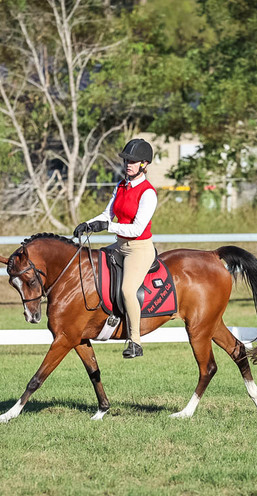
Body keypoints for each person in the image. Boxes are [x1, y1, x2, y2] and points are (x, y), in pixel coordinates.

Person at [73, 138, 157, 359]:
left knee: (128, 290)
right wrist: (90, 224)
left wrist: (107, 226)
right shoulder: (120, 186)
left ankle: (135, 341)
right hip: (119, 245)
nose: (128, 164)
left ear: (144, 164)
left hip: (138, 249)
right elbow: (107, 214)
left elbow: (137, 229)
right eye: (126, 160)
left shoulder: (148, 193)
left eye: (133, 161)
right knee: (91, 265)